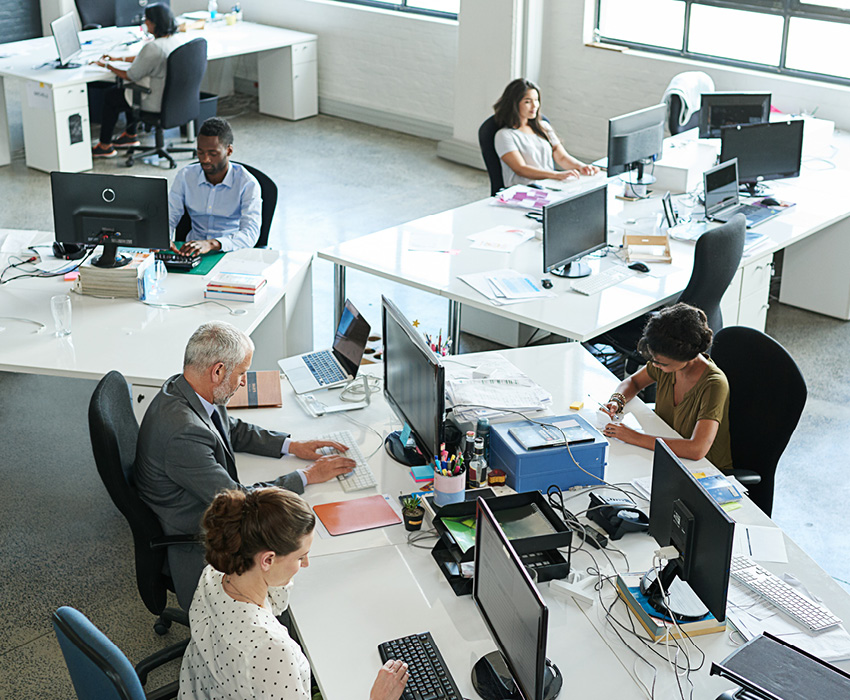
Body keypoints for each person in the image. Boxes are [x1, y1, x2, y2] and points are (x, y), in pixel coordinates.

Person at [135, 321, 355, 609]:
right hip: (194, 532)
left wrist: (291, 445)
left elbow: (231, 429)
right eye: (242, 373)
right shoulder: (182, 434)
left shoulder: (189, 386)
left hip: (195, 500)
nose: (244, 381)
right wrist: (307, 477)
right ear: (218, 371)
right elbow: (240, 500)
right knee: (297, 543)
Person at [179, 487, 409, 700]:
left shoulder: (215, 574)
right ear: (267, 559)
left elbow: (276, 603)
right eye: (300, 557)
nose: (306, 563)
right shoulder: (271, 651)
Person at [600, 303, 733, 470]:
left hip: (702, 469)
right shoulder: (668, 363)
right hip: (666, 452)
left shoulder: (714, 384)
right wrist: (617, 401)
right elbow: (633, 382)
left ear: (686, 357)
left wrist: (634, 437)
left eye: (661, 363)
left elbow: (697, 449)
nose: (655, 365)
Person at [91, 4, 184, 158]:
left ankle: (105, 145)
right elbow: (144, 59)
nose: (145, 24)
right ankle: (130, 135)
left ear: (154, 23)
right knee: (130, 90)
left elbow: (131, 75)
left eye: (147, 20)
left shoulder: (153, 47)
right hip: (173, 100)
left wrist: (107, 65)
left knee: (112, 95)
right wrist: (118, 58)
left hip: (154, 102)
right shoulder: (175, 41)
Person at [168, 117, 262, 256]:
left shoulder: (247, 183)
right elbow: (169, 216)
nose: (205, 159)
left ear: (229, 151)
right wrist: (164, 237)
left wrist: (212, 244)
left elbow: (250, 233)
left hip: (230, 251)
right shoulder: (185, 176)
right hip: (190, 252)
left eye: (213, 154)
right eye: (200, 152)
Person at [493, 78, 599, 189]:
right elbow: (520, 168)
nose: (535, 106)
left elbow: (562, 157)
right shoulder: (504, 135)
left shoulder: (543, 127)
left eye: (536, 100)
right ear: (514, 104)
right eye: (527, 102)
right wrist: (556, 175)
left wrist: (581, 167)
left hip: (549, 185)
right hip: (526, 190)